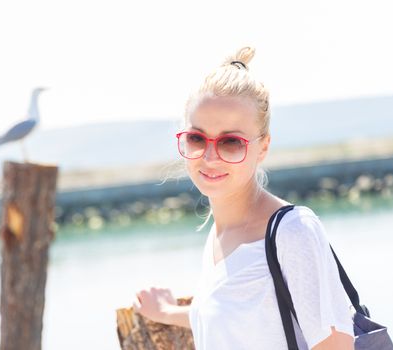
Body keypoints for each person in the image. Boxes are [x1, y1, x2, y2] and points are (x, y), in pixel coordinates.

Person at [132, 47, 355, 349]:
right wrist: (169, 313)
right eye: (197, 138)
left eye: (231, 142)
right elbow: (241, 319)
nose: (210, 157)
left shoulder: (293, 231)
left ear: (263, 147)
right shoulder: (218, 236)